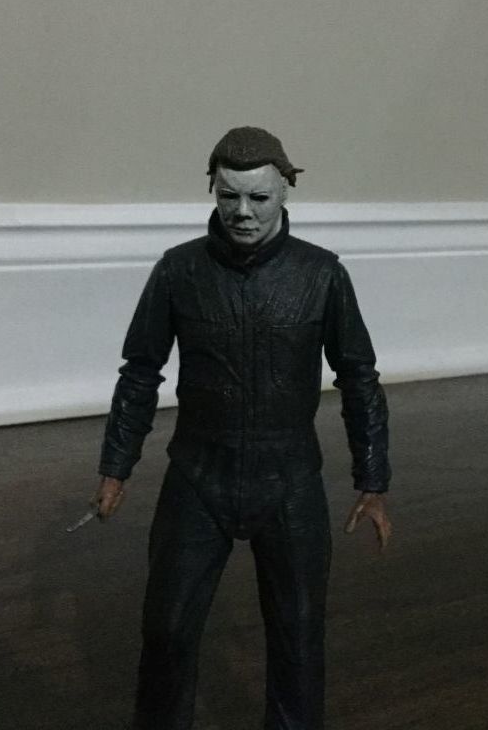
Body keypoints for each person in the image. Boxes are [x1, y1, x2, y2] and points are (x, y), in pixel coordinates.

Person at [92, 126, 392, 730]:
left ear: (285, 192)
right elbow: (140, 371)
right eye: (229, 196)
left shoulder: (322, 274)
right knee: (167, 629)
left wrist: (373, 479)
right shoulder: (178, 271)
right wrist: (115, 467)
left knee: (299, 634)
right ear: (213, 189)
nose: (244, 212)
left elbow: (359, 377)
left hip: (290, 481)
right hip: (198, 476)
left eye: (259, 198)